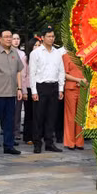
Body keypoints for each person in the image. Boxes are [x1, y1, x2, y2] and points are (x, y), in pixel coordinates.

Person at [0, 28, 24, 157]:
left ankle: (9, 145)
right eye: (6, 37)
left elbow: (18, 71)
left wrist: (19, 88)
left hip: (11, 93)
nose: (9, 39)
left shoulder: (15, 52)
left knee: (9, 121)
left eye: (10, 36)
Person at [29, 26, 64, 154]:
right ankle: (37, 143)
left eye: (53, 36)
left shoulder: (57, 53)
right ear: (42, 38)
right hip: (41, 87)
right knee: (39, 116)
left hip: (54, 86)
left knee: (51, 116)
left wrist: (60, 88)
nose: (51, 39)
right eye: (48, 36)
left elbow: (61, 71)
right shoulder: (36, 53)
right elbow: (32, 73)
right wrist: (34, 91)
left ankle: (49, 143)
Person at [62, 51, 86, 150]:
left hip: (83, 88)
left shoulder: (85, 55)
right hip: (71, 88)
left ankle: (79, 142)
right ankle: (70, 142)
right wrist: (78, 80)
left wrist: (85, 81)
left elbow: (90, 72)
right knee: (70, 115)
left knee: (80, 116)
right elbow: (64, 74)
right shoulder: (66, 56)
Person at [21, 37, 41, 144]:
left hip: (39, 88)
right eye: (35, 45)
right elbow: (23, 76)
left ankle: (37, 135)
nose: (37, 47)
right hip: (28, 89)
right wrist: (24, 91)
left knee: (38, 113)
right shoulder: (25, 58)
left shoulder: (42, 57)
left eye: (39, 45)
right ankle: (28, 136)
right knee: (29, 113)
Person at [12, 34, 28, 143]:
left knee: (17, 110)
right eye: (14, 39)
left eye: (18, 39)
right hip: (8, 84)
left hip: (19, 84)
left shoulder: (22, 54)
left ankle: (16, 131)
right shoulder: (7, 52)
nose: (16, 41)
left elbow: (23, 72)